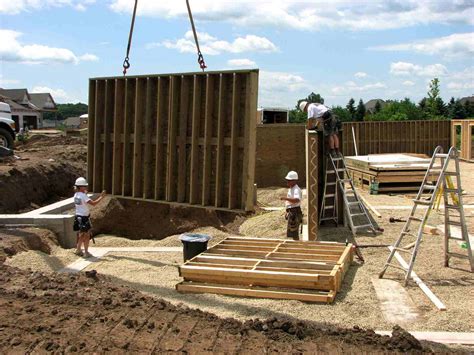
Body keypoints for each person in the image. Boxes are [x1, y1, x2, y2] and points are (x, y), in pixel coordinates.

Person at [73, 177, 106, 258]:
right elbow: (94, 203)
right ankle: (86, 253)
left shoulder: (76, 195)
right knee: (87, 235)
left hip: (78, 217)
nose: (86, 187)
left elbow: (82, 201)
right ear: (80, 187)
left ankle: (78, 250)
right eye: (84, 186)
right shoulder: (83, 196)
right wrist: (102, 196)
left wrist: (85, 194)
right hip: (84, 218)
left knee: (81, 234)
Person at [280, 171, 303, 240]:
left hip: (295, 212)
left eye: (289, 180)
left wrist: (285, 198)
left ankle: (297, 247)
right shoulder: (291, 188)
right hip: (292, 212)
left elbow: (296, 200)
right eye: (287, 180)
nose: (287, 182)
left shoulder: (296, 189)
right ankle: (296, 246)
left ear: (294, 181)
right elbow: (290, 203)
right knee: (292, 232)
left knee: (294, 233)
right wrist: (287, 211)